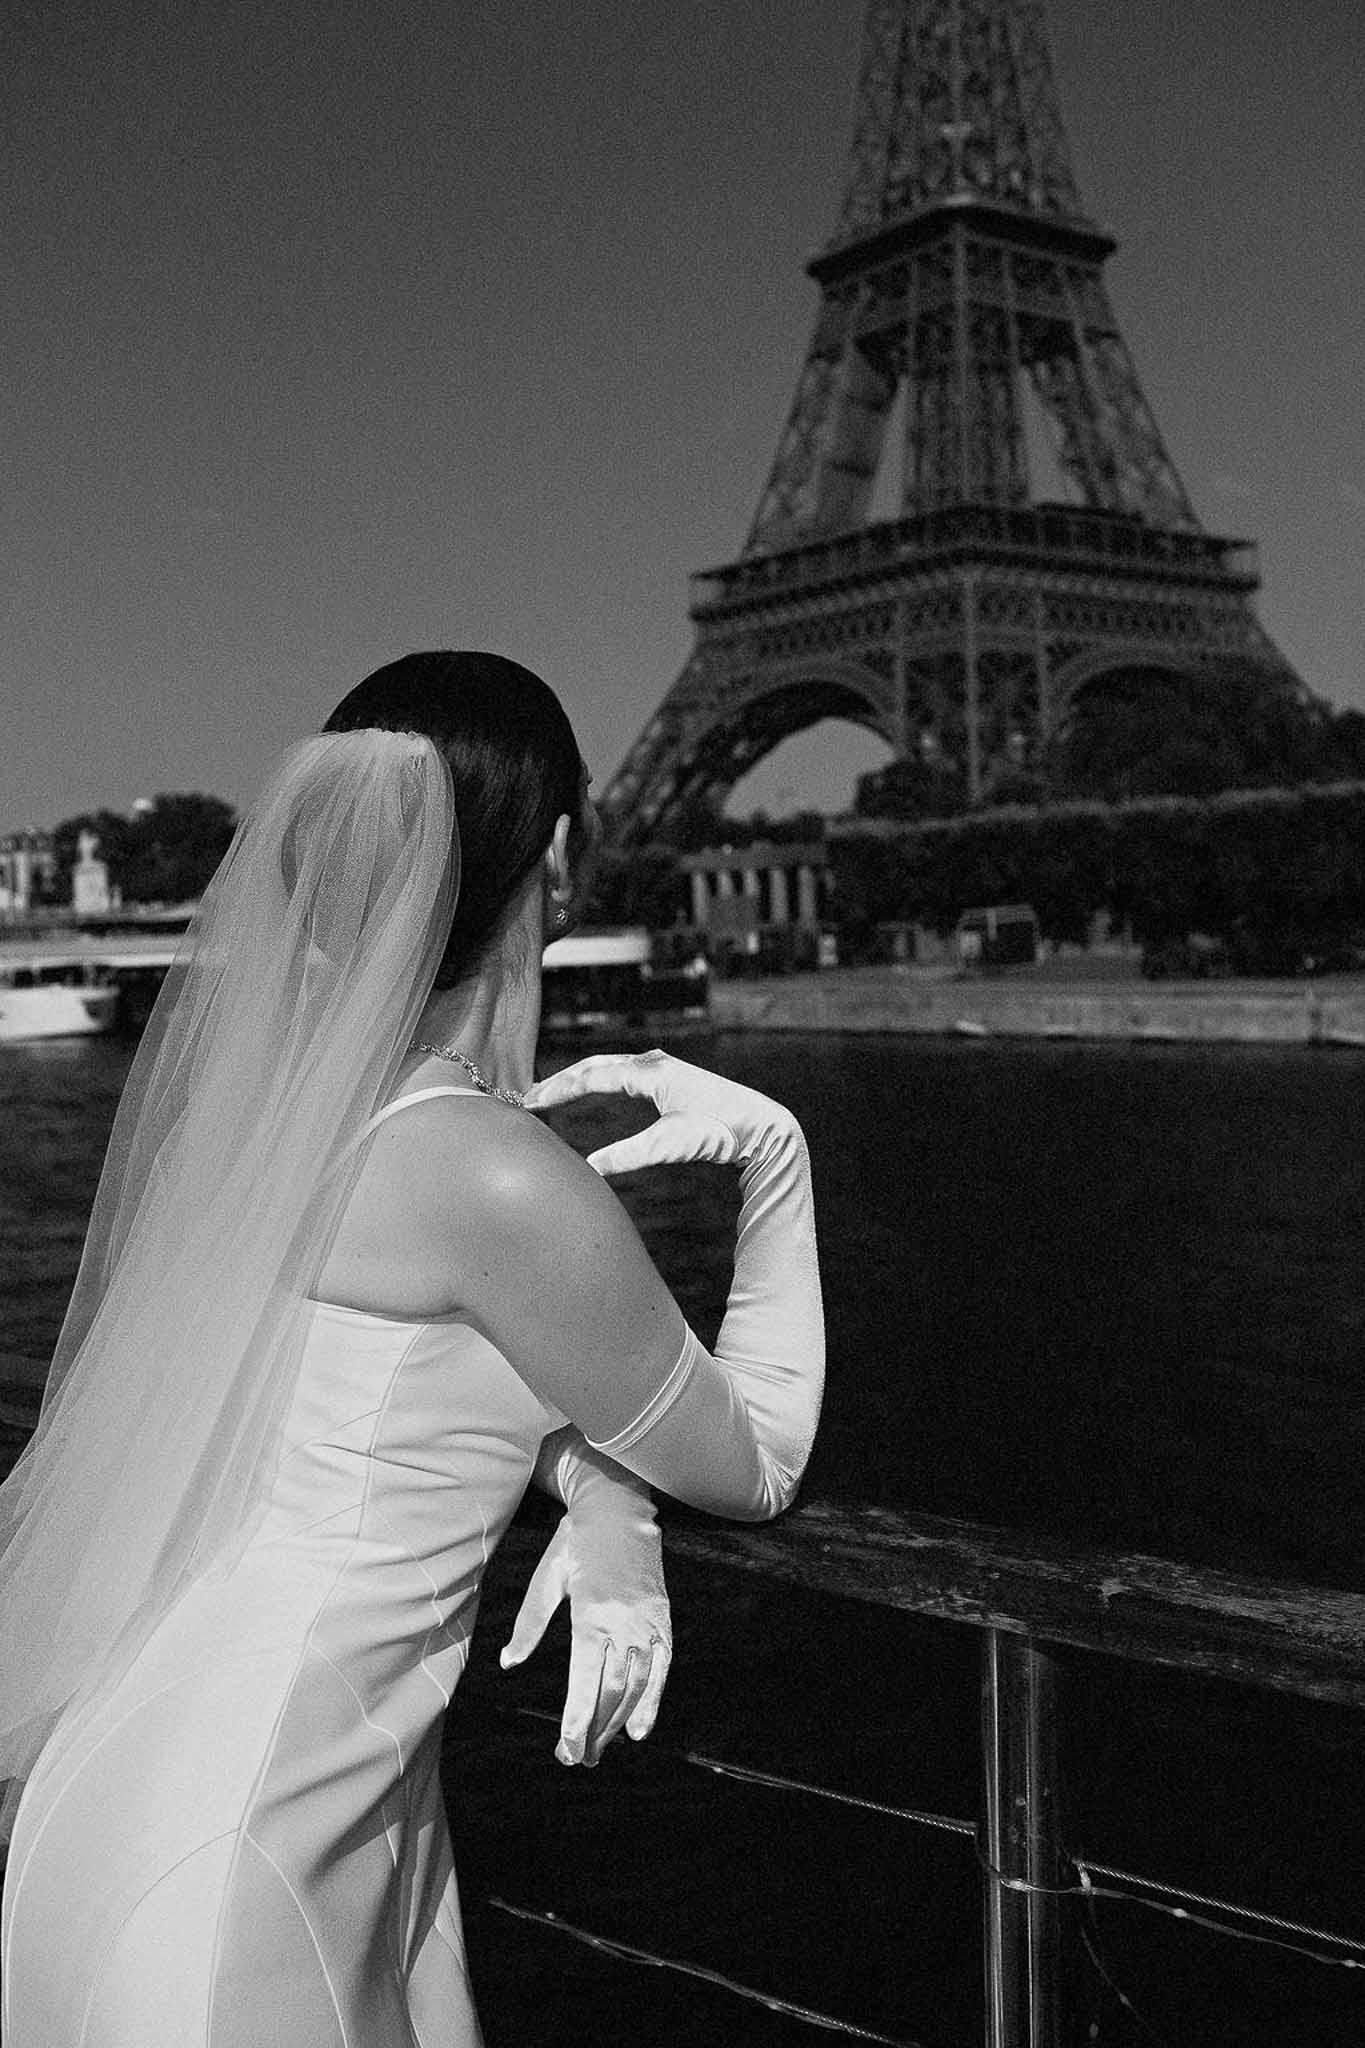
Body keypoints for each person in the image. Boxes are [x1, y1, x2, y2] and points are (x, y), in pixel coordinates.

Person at [0, 650, 824, 2046]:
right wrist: (776, 1156)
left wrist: (593, 1475)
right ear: (557, 855)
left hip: (152, 1784)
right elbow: (755, 1461)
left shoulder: (274, 1133)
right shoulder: (496, 1174)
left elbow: (375, 1403)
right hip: (266, 1831)